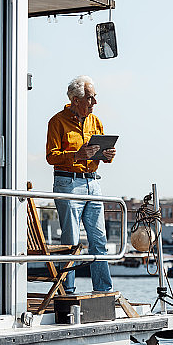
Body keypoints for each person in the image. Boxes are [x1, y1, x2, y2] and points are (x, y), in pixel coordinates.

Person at [45, 75, 116, 294]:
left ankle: (103, 291)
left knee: (99, 240)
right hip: (68, 183)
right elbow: (51, 156)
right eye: (90, 98)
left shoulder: (96, 122)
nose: (95, 102)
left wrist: (108, 155)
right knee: (71, 241)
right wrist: (76, 155)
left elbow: (101, 154)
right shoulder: (57, 122)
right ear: (76, 100)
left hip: (93, 183)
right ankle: (67, 291)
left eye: (94, 97)